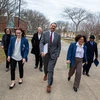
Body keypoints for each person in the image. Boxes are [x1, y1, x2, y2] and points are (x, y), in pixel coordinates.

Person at [40, 23, 61, 93]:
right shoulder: (45, 33)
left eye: (55, 26)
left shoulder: (58, 36)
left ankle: (49, 85)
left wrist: (57, 54)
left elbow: (59, 46)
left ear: (56, 28)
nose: (53, 27)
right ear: (50, 26)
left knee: (50, 69)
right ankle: (45, 74)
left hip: (53, 56)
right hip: (45, 55)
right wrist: (42, 51)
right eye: (52, 26)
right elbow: (41, 43)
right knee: (46, 67)